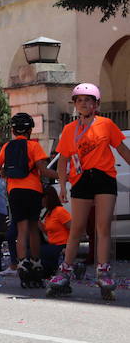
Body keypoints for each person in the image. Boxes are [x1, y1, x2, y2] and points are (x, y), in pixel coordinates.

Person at [47, 83, 130, 300]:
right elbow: (63, 160)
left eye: (88, 100)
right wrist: (63, 186)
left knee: (102, 227)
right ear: (75, 104)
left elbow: (122, 149)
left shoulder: (106, 124)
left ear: (96, 104)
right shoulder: (68, 130)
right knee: (77, 227)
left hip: (104, 178)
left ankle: (103, 270)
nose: (84, 103)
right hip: (81, 180)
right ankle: (65, 269)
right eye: (80, 100)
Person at [0, 113, 57, 289]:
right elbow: (44, 170)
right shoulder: (34, 146)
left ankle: (22, 263)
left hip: (15, 191)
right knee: (34, 229)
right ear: (30, 130)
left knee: (21, 230)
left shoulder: (7, 147)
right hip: (33, 190)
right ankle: (36, 263)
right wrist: (64, 176)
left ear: (12, 130)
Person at [39, 186, 71, 277]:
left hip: (62, 246)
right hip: (53, 244)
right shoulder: (49, 213)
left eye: (41, 198)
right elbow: (48, 232)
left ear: (47, 198)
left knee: (36, 252)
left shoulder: (59, 211)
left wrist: (69, 248)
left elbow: (73, 229)